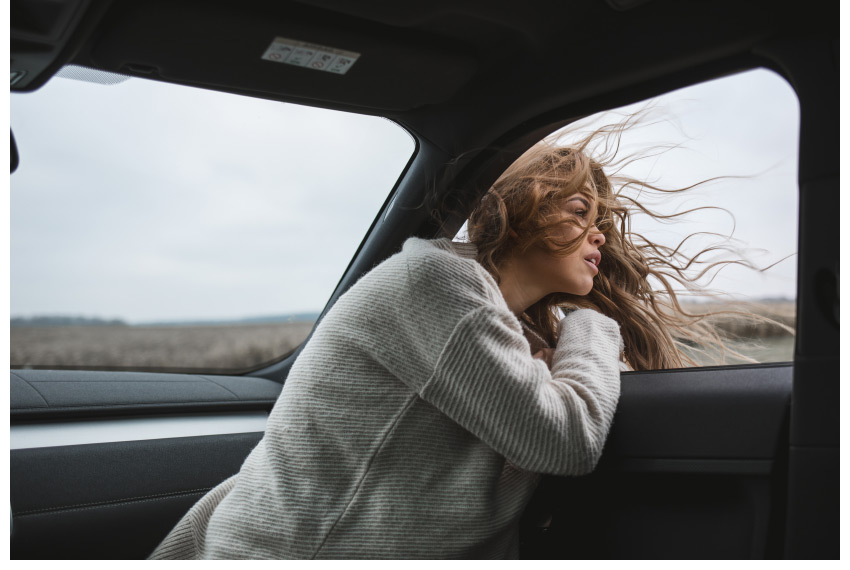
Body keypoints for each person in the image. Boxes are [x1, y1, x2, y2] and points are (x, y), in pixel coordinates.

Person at [149, 122, 744, 560]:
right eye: (581, 210)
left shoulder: (490, 319)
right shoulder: (436, 281)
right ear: (523, 207)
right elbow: (565, 441)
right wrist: (590, 326)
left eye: (602, 223)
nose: (600, 237)